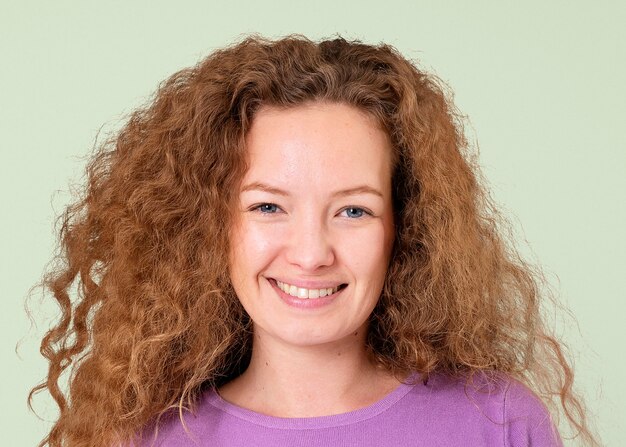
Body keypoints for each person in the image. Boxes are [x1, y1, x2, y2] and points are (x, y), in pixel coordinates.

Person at [29, 35, 597, 447]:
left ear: (406, 228)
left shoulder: (496, 424)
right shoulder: (142, 440)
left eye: (353, 210)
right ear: (210, 226)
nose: (310, 253)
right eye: (268, 206)